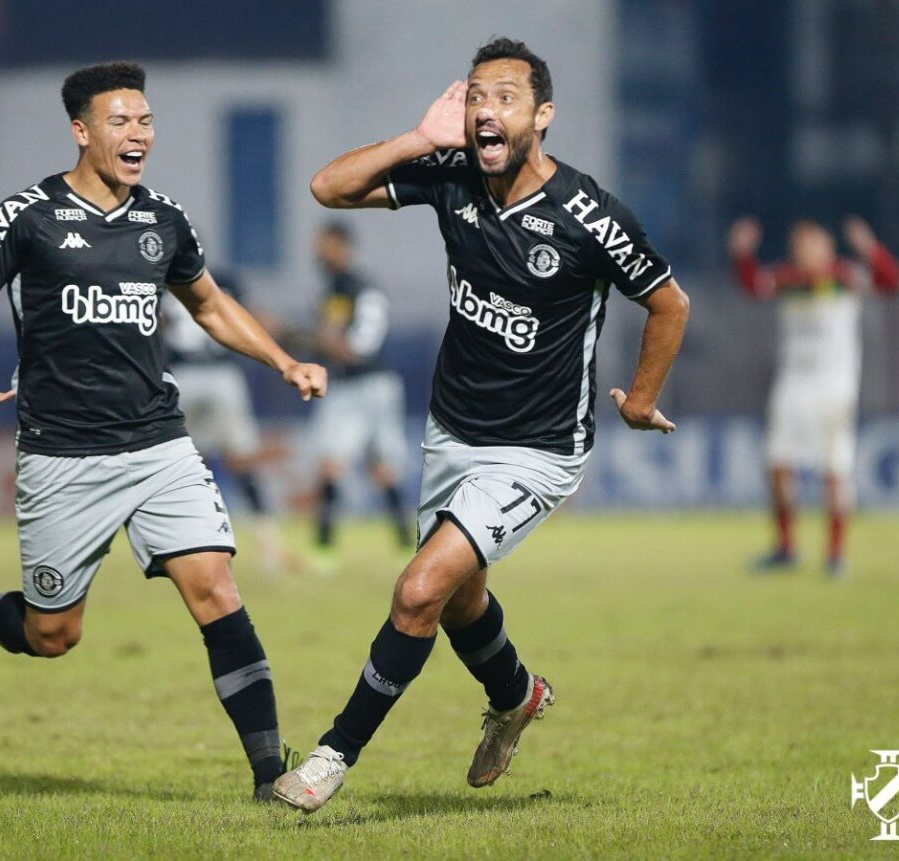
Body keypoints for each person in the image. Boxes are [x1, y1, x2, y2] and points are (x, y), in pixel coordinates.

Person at [273, 38, 690, 812]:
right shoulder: (454, 173)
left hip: (536, 449)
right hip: (452, 431)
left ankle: (330, 758)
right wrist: (418, 139)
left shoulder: (588, 214)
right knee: (462, 602)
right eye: (476, 97)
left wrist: (638, 396)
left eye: (504, 96)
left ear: (543, 116)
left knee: (418, 590)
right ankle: (517, 695)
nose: (486, 110)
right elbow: (327, 187)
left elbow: (669, 300)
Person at [0, 61, 327, 801]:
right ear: (82, 131)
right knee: (55, 635)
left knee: (215, 588)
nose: (138, 132)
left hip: (158, 444)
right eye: (121, 120)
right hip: (62, 455)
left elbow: (210, 305)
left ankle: (271, 776)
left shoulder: (163, 220)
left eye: (145, 119)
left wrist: (281, 358)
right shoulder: (27, 216)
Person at [728, 215, 899, 576]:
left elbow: (893, 282)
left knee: (834, 469)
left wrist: (870, 248)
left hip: (834, 384)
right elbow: (752, 285)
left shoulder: (844, 277)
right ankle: (786, 547)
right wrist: (742, 254)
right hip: (793, 382)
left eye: (811, 244)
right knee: (778, 464)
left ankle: (836, 554)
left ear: (827, 248)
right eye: (799, 246)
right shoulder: (787, 279)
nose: (804, 252)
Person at [161, 271, 287, 574]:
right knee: (241, 460)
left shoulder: (159, 279)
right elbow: (250, 318)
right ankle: (267, 541)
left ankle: (184, 544)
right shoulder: (223, 280)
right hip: (222, 376)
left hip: (185, 375)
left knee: (183, 462)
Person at [308, 221, 411, 564]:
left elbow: (345, 345)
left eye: (324, 244)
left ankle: (324, 550)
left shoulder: (347, 286)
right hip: (375, 384)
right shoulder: (354, 285)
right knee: (383, 468)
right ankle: (404, 546)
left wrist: (286, 334)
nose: (318, 252)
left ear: (341, 245)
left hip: (358, 385)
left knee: (333, 465)